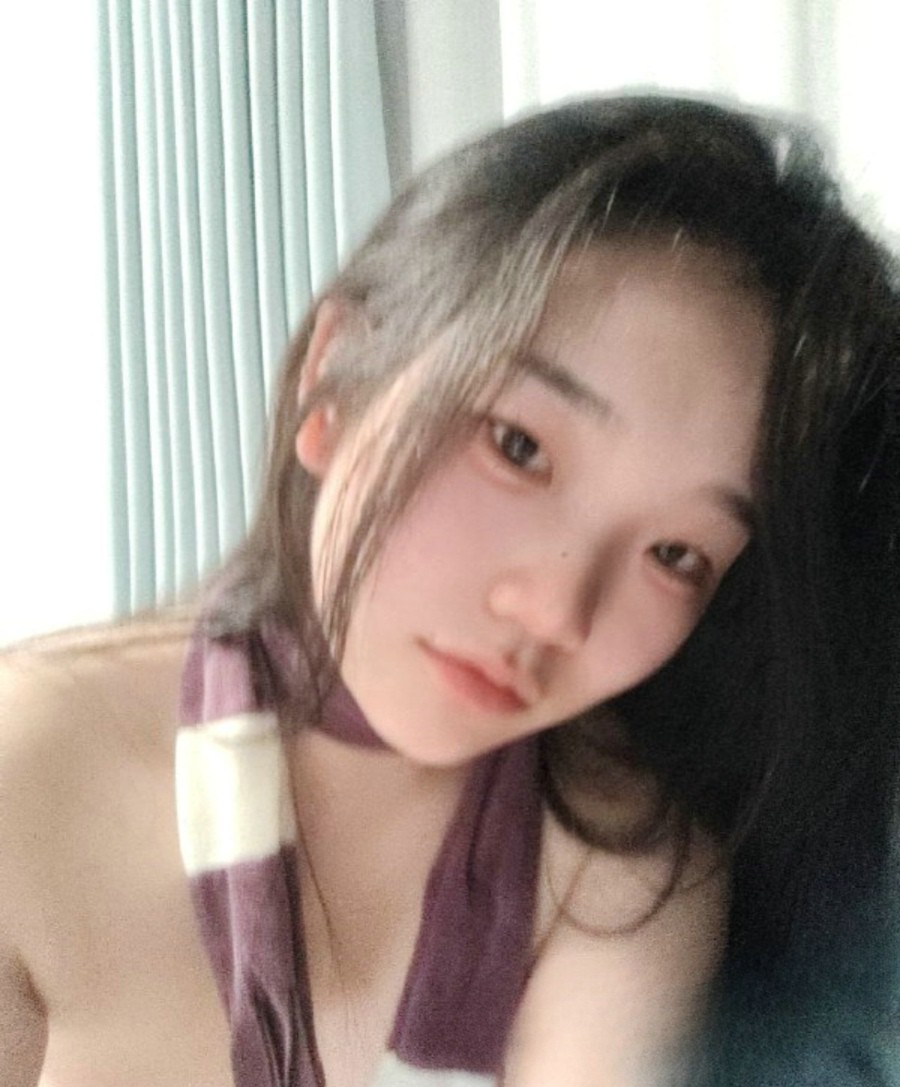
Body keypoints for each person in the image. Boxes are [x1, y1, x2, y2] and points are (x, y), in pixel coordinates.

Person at [1, 94, 898, 1087]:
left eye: (677, 553)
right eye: (517, 447)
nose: (555, 611)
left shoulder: (612, 868)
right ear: (337, 379)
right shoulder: (25, 782)